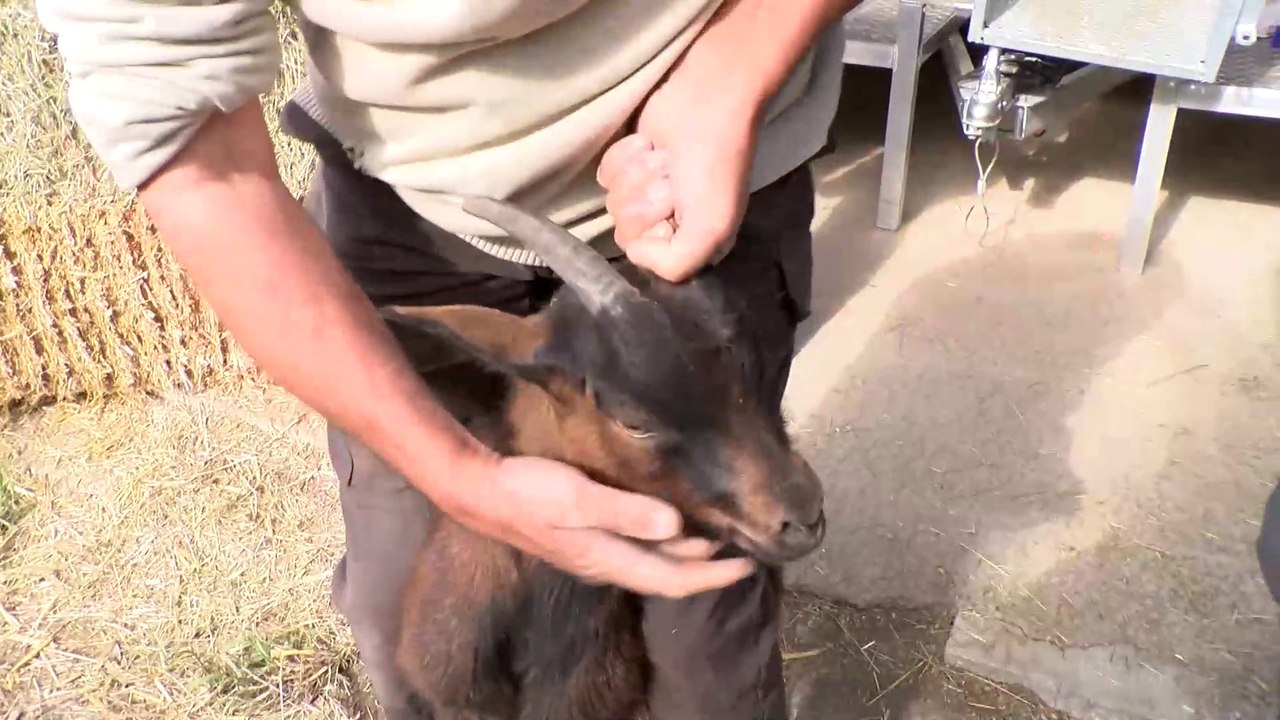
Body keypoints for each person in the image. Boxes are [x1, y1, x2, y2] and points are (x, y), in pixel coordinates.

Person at [36, 1, 859, 717]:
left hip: (697, 186)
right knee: (418, 635)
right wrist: (459, 474)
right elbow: (200, 159)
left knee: (707, 660)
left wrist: (737, 64)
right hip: (411, 203)